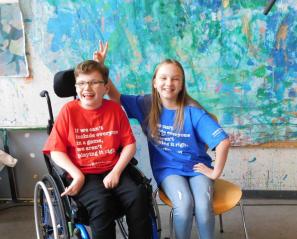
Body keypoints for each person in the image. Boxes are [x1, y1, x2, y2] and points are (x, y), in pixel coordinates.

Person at [94, 42, 230, 239]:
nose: (169, 83)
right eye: (164, 78)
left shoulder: (192, 110)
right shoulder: (146, 104)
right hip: (168, 170)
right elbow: (115, 96)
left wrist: (215, 171)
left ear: (182, 84)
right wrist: (102, 67)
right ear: (155, 82)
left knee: (203, 205)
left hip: (196, 168)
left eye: (175, 79)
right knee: (184, 205)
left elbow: (223, 141)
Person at [43, 60, 152, 239]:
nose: (87, 88)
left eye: (94, 82)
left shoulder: (115, 110)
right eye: (82, 83)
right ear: (76, 87)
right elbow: (56, 150)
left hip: (113, 169)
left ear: (105, 87)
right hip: (84, 174)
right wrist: (76, 175)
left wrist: (116, 172)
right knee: (101, 204)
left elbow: (129, 145)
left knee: (138, 196)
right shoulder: (68, 111)